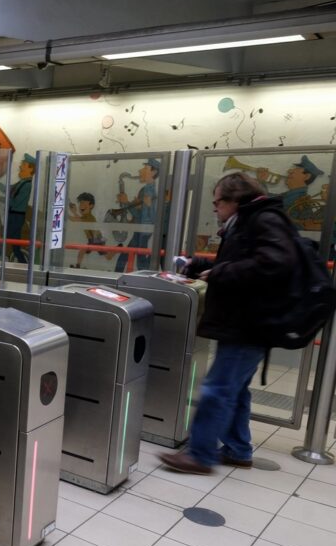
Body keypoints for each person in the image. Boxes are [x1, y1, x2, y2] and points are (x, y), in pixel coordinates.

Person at [159, 172, 298, 474]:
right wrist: (197, 265)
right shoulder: (247, 222)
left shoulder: (263, 219)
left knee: (217, 388)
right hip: (244, 322)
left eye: (217, 202)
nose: (215, 208)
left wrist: (220, 273)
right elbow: (240, 264)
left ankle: (200, 455)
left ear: (236, 199)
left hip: (248, 324)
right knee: (235, 389)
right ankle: (238, 449)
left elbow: (276, 263)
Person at [114, 159, 159, 272]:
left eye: (145, 168)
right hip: (141, 229)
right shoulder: (146, 189)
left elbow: (152, 218)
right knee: (129, 256)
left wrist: (127, 203)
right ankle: (118, 275)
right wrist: (128, 203)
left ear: (153, 172)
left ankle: (142, 277)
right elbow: (140, 215)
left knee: (139, 259)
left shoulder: (150, 191)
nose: (140, 171)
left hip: (144, 230)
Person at [4, 153, 35, 263]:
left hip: (16, 216)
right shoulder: (21, 182)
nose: (20, 166)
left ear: (30, 168)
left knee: (5, 238)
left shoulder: (27, 185)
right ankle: (23, 263)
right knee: (15, 244)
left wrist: (2, 198)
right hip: (14, 215)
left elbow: (15, 202)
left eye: (23, 164)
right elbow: (8, 188)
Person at [68, 191, 104, 268]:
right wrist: (74, 212)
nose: (81, 206)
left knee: (107, 256)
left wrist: (67, 215)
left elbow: (78, 220)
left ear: (91, 206)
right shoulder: (85, 216)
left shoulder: (90, 217)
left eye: (84, 204)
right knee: (82, 250)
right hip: (92, 240)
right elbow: (79, 219)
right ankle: (78, 265)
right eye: (80, 204)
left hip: (97, 239)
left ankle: (78, 265)